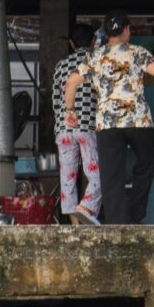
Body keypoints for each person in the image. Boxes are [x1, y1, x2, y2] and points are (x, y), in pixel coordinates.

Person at [63, 11, 154, 224]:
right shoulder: (137, 52)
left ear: (106, 33)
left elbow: (71, 83)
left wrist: (70, 111)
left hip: (107, 124)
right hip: (138, 121)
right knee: (145, 164)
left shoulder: (95, 56)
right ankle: (135, 214)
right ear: (126, 31)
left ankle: (118, 222)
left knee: (111, 176)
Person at [51, 23, 101, 225]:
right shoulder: (96, 62)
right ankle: (86, 207)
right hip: (87, 127)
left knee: (67, 179)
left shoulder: (60, 66)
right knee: (96, 175)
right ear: (93, 42)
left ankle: (75, 225)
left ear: (71, 44)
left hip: (63, 129)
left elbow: (56, 100)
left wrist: (62, 122)